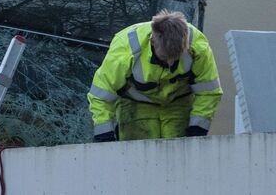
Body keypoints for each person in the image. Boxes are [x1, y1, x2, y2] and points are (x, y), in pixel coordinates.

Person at [87, 10, 223, 142]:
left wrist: (197, 128)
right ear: (152, 41)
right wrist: (104, 134)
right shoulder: (125, 48)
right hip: (135, 106)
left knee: (177, 153)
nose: (170, 63)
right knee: (138, 153)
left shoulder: (198, 47)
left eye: (176, 57)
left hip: (179, 104)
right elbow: (101, 96)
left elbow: (208, 93)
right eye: (164, 57)